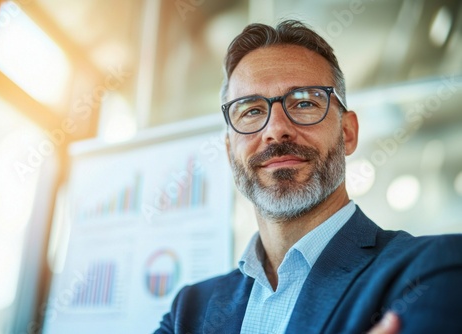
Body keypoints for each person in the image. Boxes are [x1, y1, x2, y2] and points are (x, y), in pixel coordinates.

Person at [155, 20, 462, 334]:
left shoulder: (436, 270)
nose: (275, 129)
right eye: (251, 111)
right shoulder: (189, 311)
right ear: (229, 148)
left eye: (304, 103)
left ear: (348, 132)